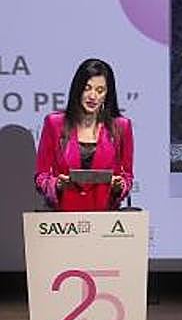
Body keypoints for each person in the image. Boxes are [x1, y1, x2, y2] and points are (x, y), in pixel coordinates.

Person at [35, 58, 133, 211]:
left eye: (100, 90)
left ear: (107, 94)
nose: (93, 96)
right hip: (65, 218)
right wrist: (57, 184)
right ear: (78, 89)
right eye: (87, 88)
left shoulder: (121, 127)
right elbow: (41, 176)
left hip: (105, 218)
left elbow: (127, 176)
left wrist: (120, 186)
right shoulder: (54, 124)